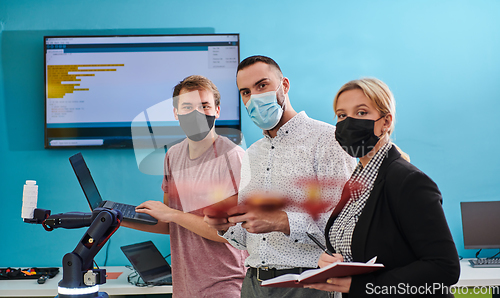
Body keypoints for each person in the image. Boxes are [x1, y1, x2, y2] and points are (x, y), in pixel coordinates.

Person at [204, 56, 356, 298]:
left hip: (308, 284)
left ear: (284, 86)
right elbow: (251, 238)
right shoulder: (253, 153)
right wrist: (226, 226)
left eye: (262, 85)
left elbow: (345, 229)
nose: (253, 97)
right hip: (254, 284)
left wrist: (282, 221)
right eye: (245, 92)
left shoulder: (328, 141)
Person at [304, 78, 460, 297]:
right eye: (341, 115)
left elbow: (444, 268)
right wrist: (333, 261)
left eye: (361, 113)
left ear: (386, 122)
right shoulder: (356, 183)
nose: (349, 123)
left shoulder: (408, 181)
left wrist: (359, 286)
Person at [122, 75, 248, 297]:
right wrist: (117, 219)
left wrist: (172, 214)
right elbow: (171, 225)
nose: (196, 113)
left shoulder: (233, 157)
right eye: (187, 106)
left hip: (226, 284)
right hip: (184, 286)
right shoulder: (173, 155)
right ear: (176, 113)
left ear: (217, 111)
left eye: (204, 106)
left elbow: (228, 233)